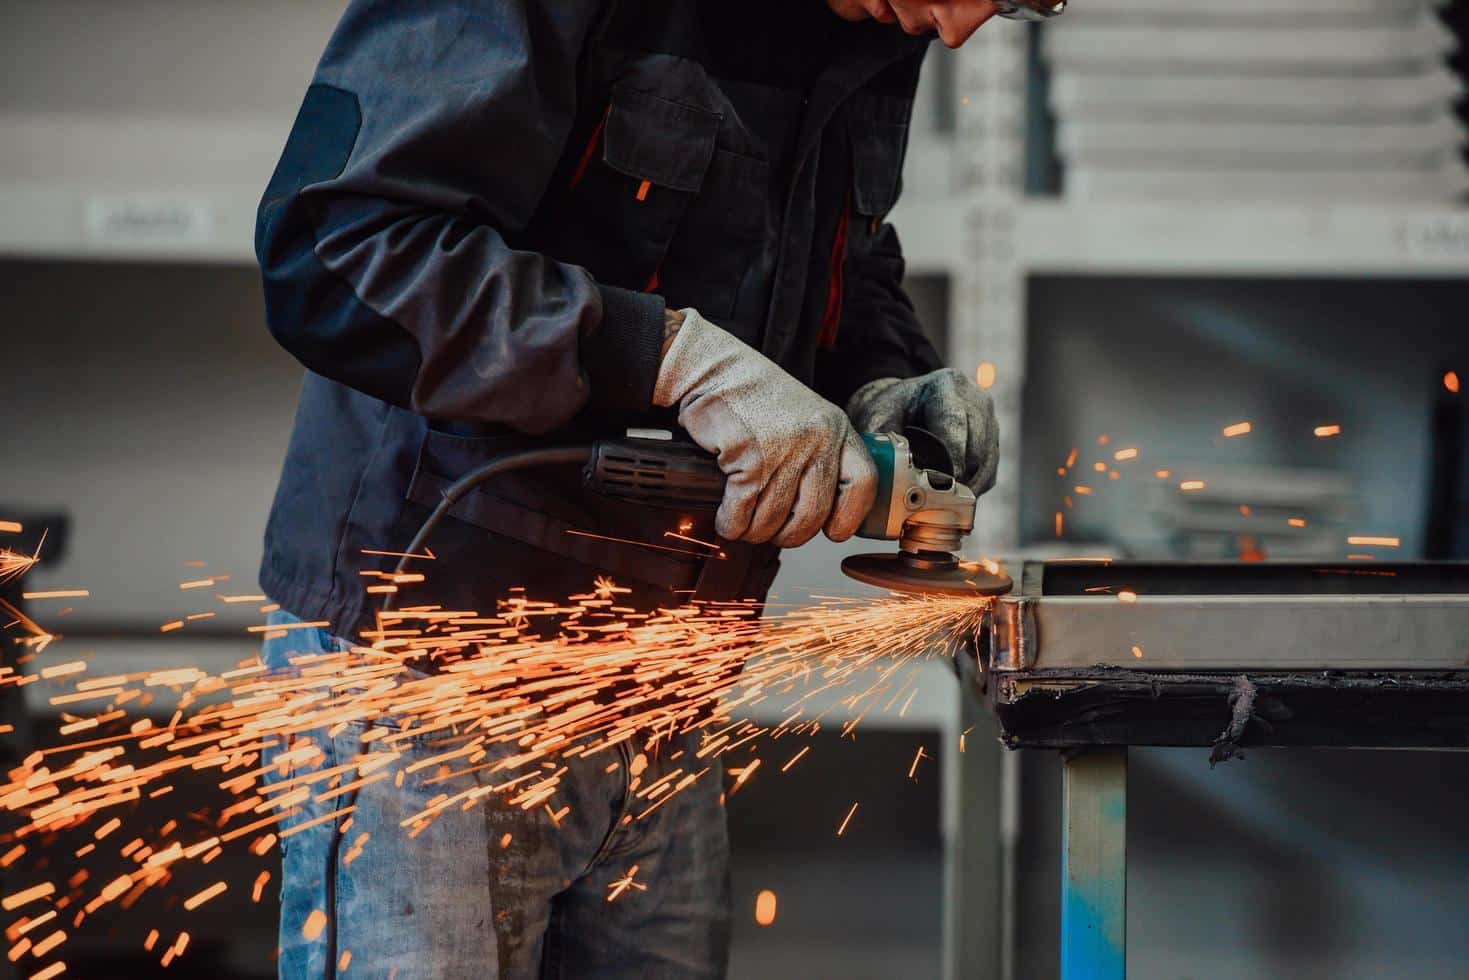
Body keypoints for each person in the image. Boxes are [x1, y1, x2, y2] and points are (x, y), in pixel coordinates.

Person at [254, 1, 1043, 975]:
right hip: (440, 663)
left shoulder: (883, 20)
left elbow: (834, 255)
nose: (963, 27)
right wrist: (667, 356)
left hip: (666, 675)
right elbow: (338, 249)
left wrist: (879, 376)